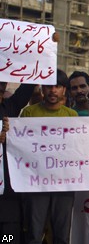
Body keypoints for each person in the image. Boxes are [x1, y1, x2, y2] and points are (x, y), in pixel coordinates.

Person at [21, 70, 79, 244]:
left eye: (57, 86)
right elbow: (21, 145)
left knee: (62, 234)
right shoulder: (29, 113)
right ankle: (6, 240)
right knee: (34, 233)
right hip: (36, 182)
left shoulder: (72, 116)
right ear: (42, 89)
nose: (53, 90)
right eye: (48, 86)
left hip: (64, 184)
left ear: (64, 90)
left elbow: (79, 148)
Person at [0, 82, 36, 242]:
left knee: (8, 239)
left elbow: (27, 85)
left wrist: (38, 58)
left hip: (8, 202)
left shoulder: (9, 107)